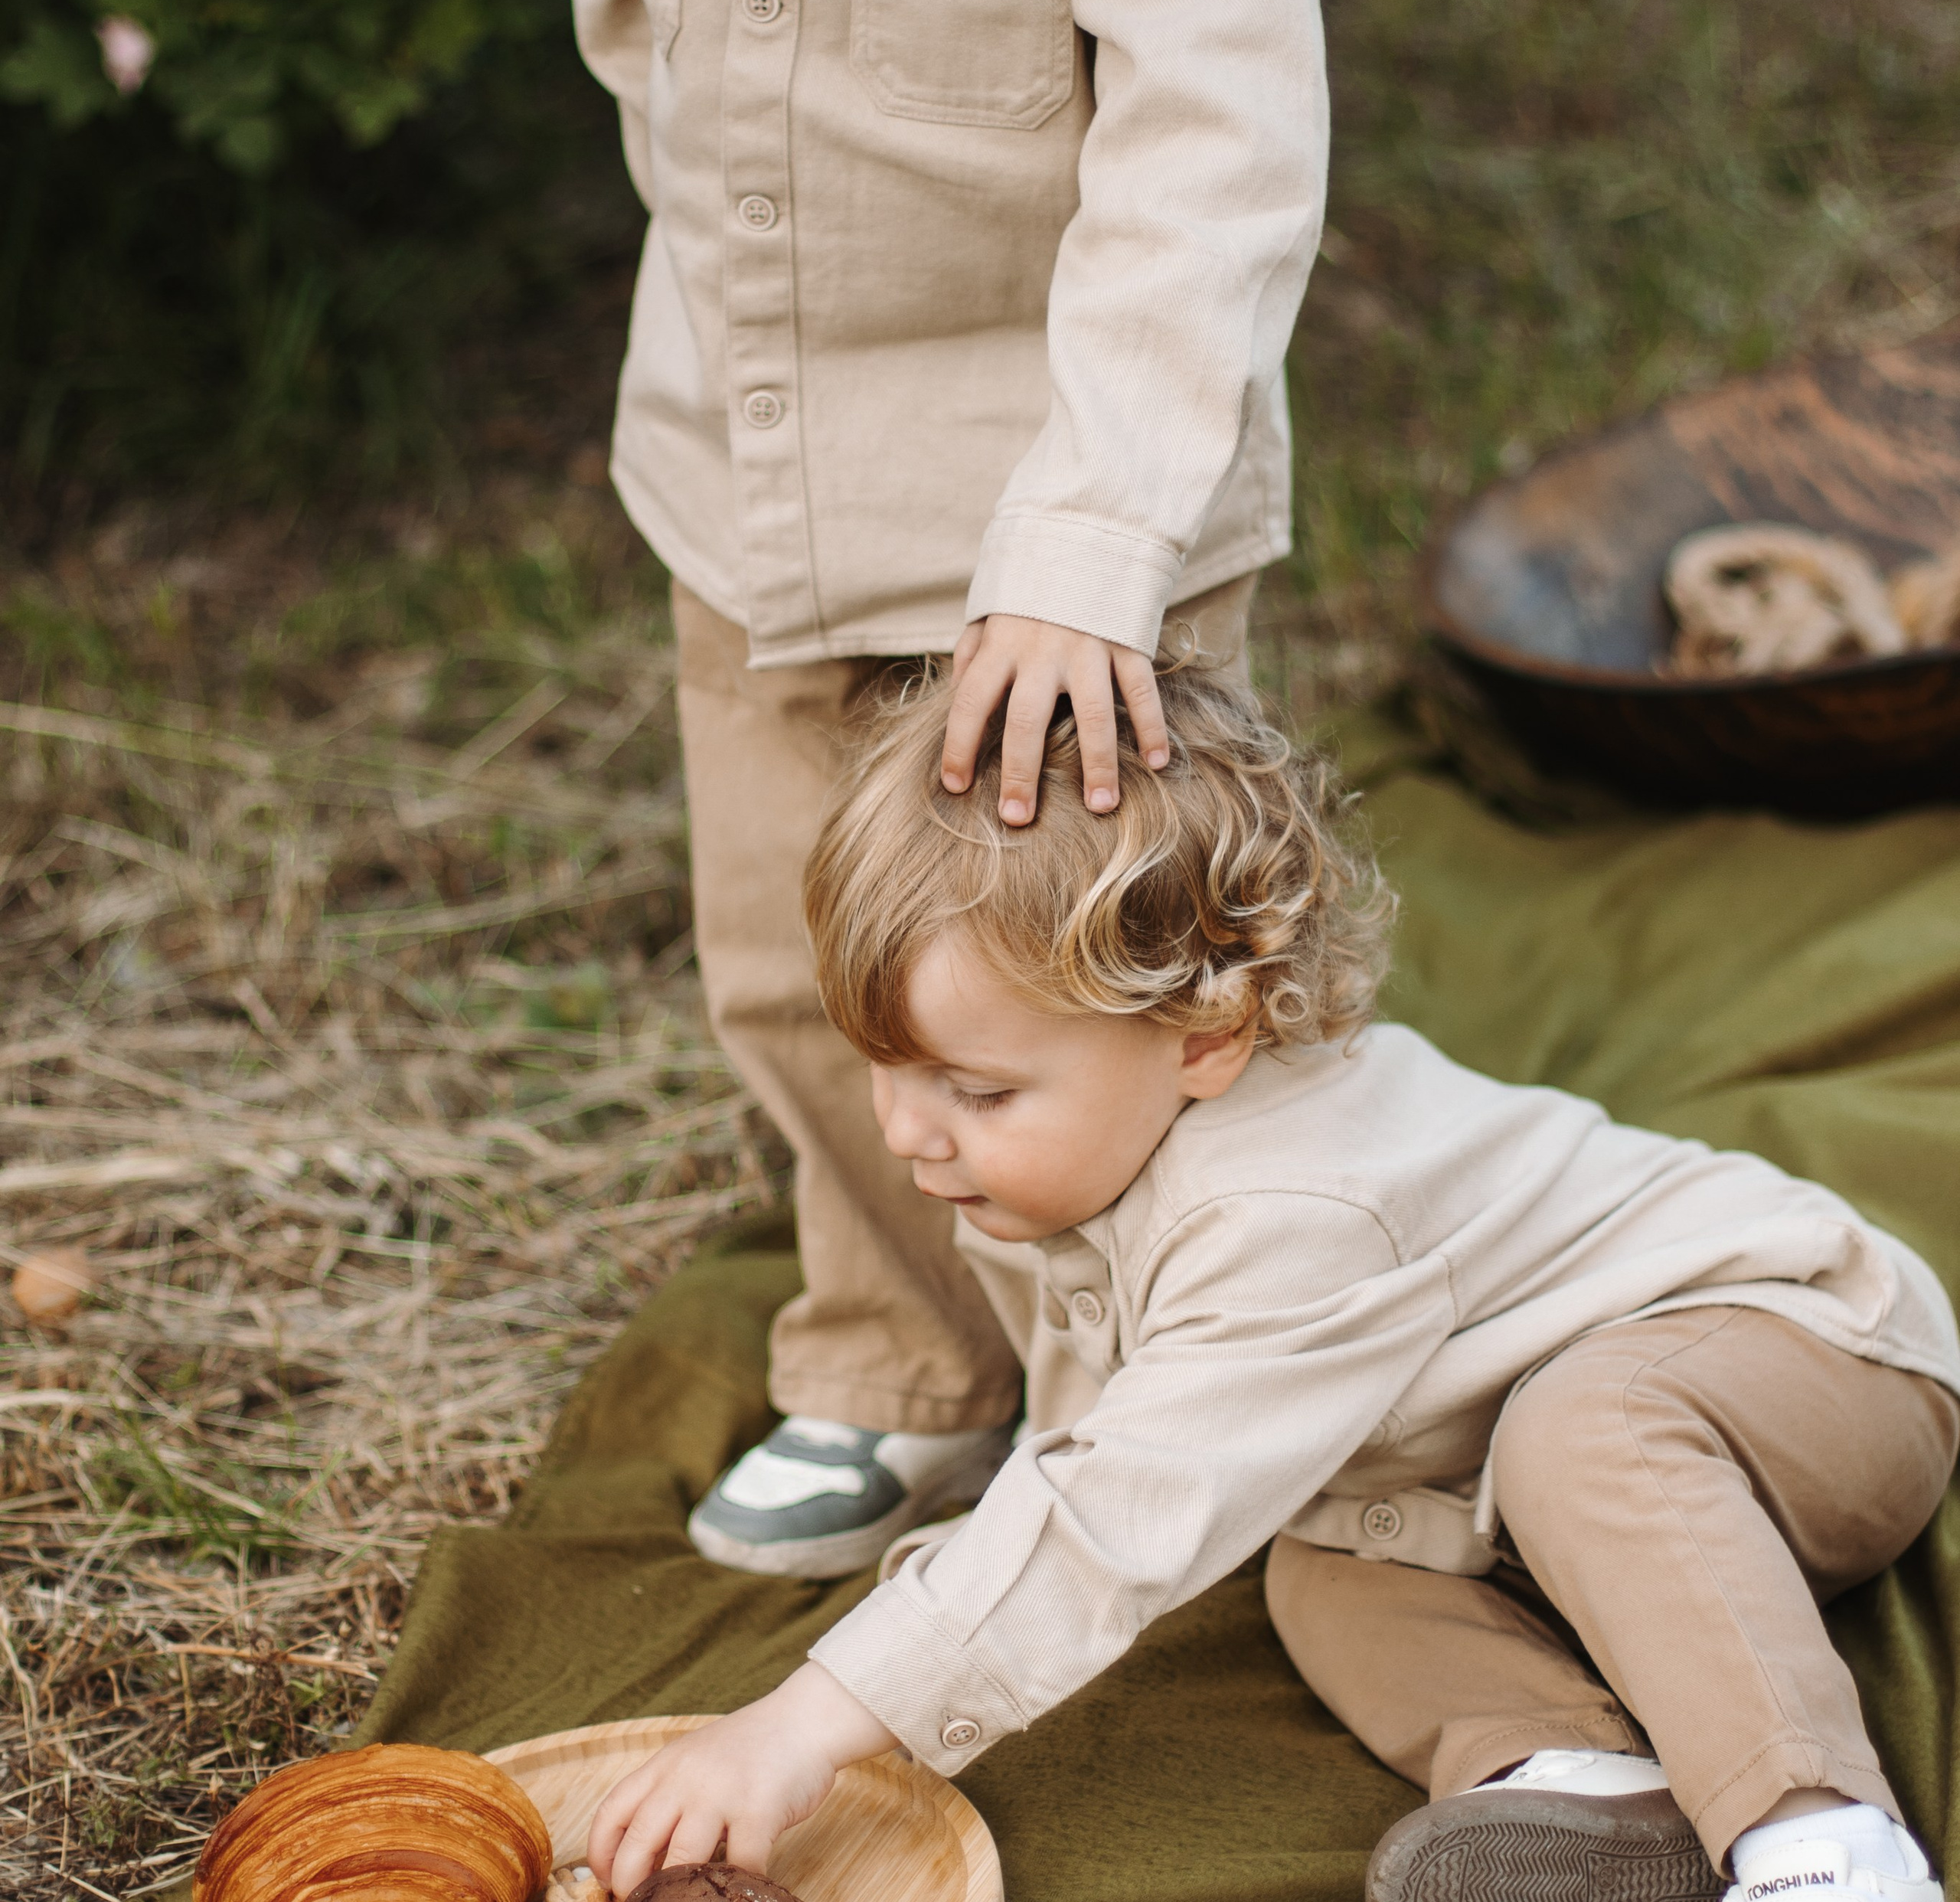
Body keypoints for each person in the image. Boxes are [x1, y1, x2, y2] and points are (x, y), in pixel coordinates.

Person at [586, 668, 1960, 1902]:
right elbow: (1083, 1443)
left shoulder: (1292, 1211)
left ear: (1210, 1033)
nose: (908, 1131)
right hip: (1489, 1473)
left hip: (1807, 1368)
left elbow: (1116, 1510)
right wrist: (926, 1621)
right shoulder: (1044, 1158)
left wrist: (812, 1721)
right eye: (885, 1065)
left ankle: (1815, 1837)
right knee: (1316, 1560)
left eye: (977, 1088)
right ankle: (1575, 1787)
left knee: (1583, 1433)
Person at [567, 0, 1331, 1576]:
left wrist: (1093, 534)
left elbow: (1223, 136)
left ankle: (1176, 1391)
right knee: (799, 961)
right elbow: (639, 31)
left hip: (1063, 502)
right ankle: (909, 1353)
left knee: (1100, 985)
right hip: (749, 468)